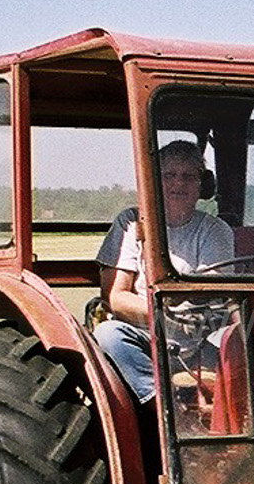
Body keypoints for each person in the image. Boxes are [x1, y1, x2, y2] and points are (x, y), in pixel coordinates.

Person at [93, 139, 235, 401]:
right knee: (108, 334)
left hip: (200, 336)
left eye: (188, 177)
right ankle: (161, 404)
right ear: (153, 181)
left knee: (241, 340)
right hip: (144, 335)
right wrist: (162, 312)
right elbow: (116, 297)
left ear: (202, 185)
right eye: (169, 175)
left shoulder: (215, 231)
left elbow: (211, 290)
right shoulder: (131, 223)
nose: (178, 184)